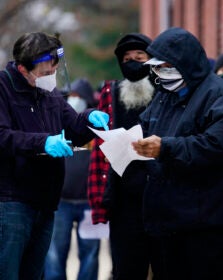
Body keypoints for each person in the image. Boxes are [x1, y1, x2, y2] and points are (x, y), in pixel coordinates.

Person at [131, 27, 223, 280]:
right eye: (156, 67)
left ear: (184, 63)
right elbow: (145, 127)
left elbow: (215, 147)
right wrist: (127, 145)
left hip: (209, 225)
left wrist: (165, 148)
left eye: (165, 66)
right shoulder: (165, 95)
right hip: (170, 222)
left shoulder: (219, 96)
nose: (159, 73)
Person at [0, 32, 109, 280]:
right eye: (45, 73)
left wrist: (90, 118)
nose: (51, 78)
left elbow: (72, 125)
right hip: (11, 202)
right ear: (22, 69)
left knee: (35, 273)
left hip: (45, 203)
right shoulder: (3, 89)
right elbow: (3, 136)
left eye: (54, 71)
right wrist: (43, 142)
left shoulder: (49, 94)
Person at [88, 33, 155, 280]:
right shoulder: (111, 92)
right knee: (126, 268)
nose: (133, 62)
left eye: (140, 57)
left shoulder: (163, 92)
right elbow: (99, 147)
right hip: (123, 198)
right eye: (127, 59)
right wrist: (99, 200)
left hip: (159, 196)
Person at [44, 78, 100, 280]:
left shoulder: (96, 127)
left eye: (78, 97)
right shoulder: (60, 123)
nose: (74, 100)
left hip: (90, 203)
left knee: (91, 254)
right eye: (72, 96)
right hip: (61, 202)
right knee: (54, 255)